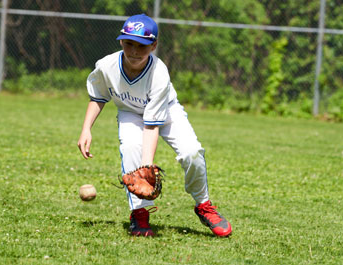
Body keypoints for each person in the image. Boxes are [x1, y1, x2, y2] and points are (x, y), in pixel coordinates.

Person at [77, 14, 232, 237]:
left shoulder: (159, 72)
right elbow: (98, 98)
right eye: (129, 43)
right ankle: (139, 215)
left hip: (167, 111)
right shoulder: (106, 66)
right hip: (130, 112)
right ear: (121, 41)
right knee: (130, 148)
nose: (134, 51)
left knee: (192, 152)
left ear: (154, 45)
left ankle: (203, 204)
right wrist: (86, 129)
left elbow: (152, 125)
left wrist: (146, 167)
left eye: (142, 45)